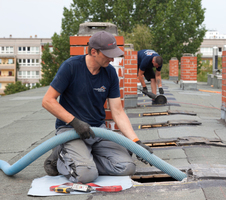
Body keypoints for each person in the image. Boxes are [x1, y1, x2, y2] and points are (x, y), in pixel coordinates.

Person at [42, 31, 153, 184]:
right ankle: (61, 155)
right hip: (70, 130)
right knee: (85, 175)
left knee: (127, 167)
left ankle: (84, 161)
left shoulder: (110, 73)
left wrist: (135, 142)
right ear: (93, 51)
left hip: (96, 131)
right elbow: (48, 100)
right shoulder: (71, 67)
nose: (112, 58)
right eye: (108, 54)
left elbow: (118, 112)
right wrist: (75, 122)